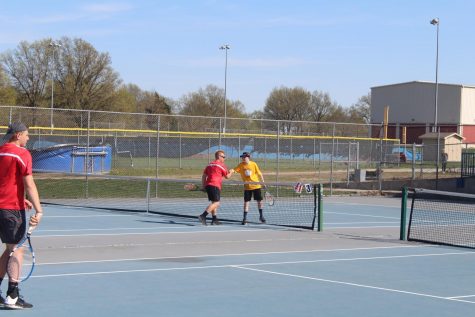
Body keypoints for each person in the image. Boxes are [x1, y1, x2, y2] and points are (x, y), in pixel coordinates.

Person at [0, 122, 43, 310]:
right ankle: (12, 295)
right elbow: (29, 184)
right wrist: (39, 210)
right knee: (17, 249)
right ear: (18, 135)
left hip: (5, 206)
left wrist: (20, 199)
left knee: (8, 249)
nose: (28, 138)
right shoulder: (22, 154)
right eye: (26, 134)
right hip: (10, 210)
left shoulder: (1, 151)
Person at [230, 152, 266, 225]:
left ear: (248, 157)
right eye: (242, 157)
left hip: (256, 186)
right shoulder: (241, 165)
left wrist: (263, 183)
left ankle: (261, 216)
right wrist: (231, 171)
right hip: (247, 187)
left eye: (244, 157)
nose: (243, 158)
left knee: (259, 201)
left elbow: (259, 173)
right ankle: (244, 218)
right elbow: (234, 170)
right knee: (246, 203)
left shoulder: (253, 164)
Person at [198, 150, 233, 225]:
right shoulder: (221, 165)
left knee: (213, 202)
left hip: (208, 185)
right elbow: (227, 176)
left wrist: (204, 186)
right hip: (215, 185)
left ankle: (214, 219)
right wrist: (232, 172)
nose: (224, 158)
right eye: (223, 157)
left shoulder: (209, 164)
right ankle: (203, 216)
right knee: (216, 203)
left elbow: (204, 176)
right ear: (219, 156)